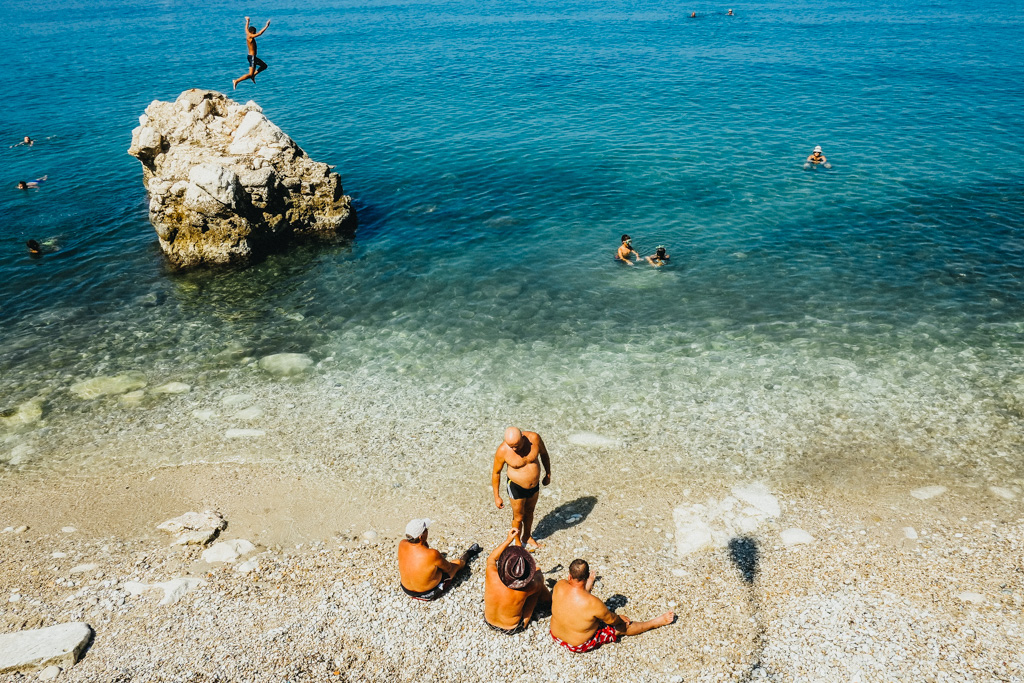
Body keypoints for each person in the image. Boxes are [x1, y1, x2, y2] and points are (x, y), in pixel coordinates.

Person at [549, 559, 675, 653]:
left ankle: (587, 587)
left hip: (555, 635)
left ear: (569, 576)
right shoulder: (594, 603)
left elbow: (574, 599)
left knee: (580, 602)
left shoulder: (559, 585)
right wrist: (619, 618)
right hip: (577, 644)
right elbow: (612, 620)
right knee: (623, 626)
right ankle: (655, 622)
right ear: (586, 577)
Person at [484, 528, 552, 634]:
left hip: (488, 621)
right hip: (512, 627)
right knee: (537, 586)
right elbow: (539, 580)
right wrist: (537, 573)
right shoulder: (527, 588)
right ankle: (544, 608)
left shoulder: (491, 574)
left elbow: (491, 558)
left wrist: (508, 540)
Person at [397, 518, 479, 601]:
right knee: (457, 563)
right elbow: (448, 568)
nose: (427, 531)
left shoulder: (402, 544)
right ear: (421, 536)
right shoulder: (432, 554)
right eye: (426, 530)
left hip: (406, 590)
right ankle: (468, 554)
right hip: (427, 593)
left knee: (430, 567)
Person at [232, 16, 271, 90]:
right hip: (252, 57)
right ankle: (236, 81)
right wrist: (266, 26)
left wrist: (248, 21)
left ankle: (253, 76)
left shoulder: (248, 33)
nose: (255, 33)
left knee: (264, 66)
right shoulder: (250, 36)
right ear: (252, 32)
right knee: (250, 74)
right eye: (254, 32)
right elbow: (260, 33)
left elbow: (246, 28)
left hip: (253, 57)